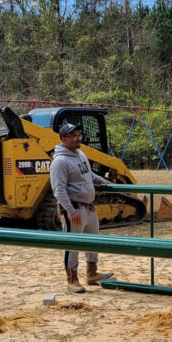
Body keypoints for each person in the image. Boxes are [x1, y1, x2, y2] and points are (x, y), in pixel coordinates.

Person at [50, 122, 114, 293]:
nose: (78, 138)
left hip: (89, 207)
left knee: (93, 240)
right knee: (72, 244)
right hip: (75, 209)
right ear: (64, 139)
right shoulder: (60, 162)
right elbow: (58, 189)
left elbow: (88, 174)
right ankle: (72, 279)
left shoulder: (80, 154)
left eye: (78, 134)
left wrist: (101, 180)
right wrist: (70, 210)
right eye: (74, 136)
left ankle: (92, 273)